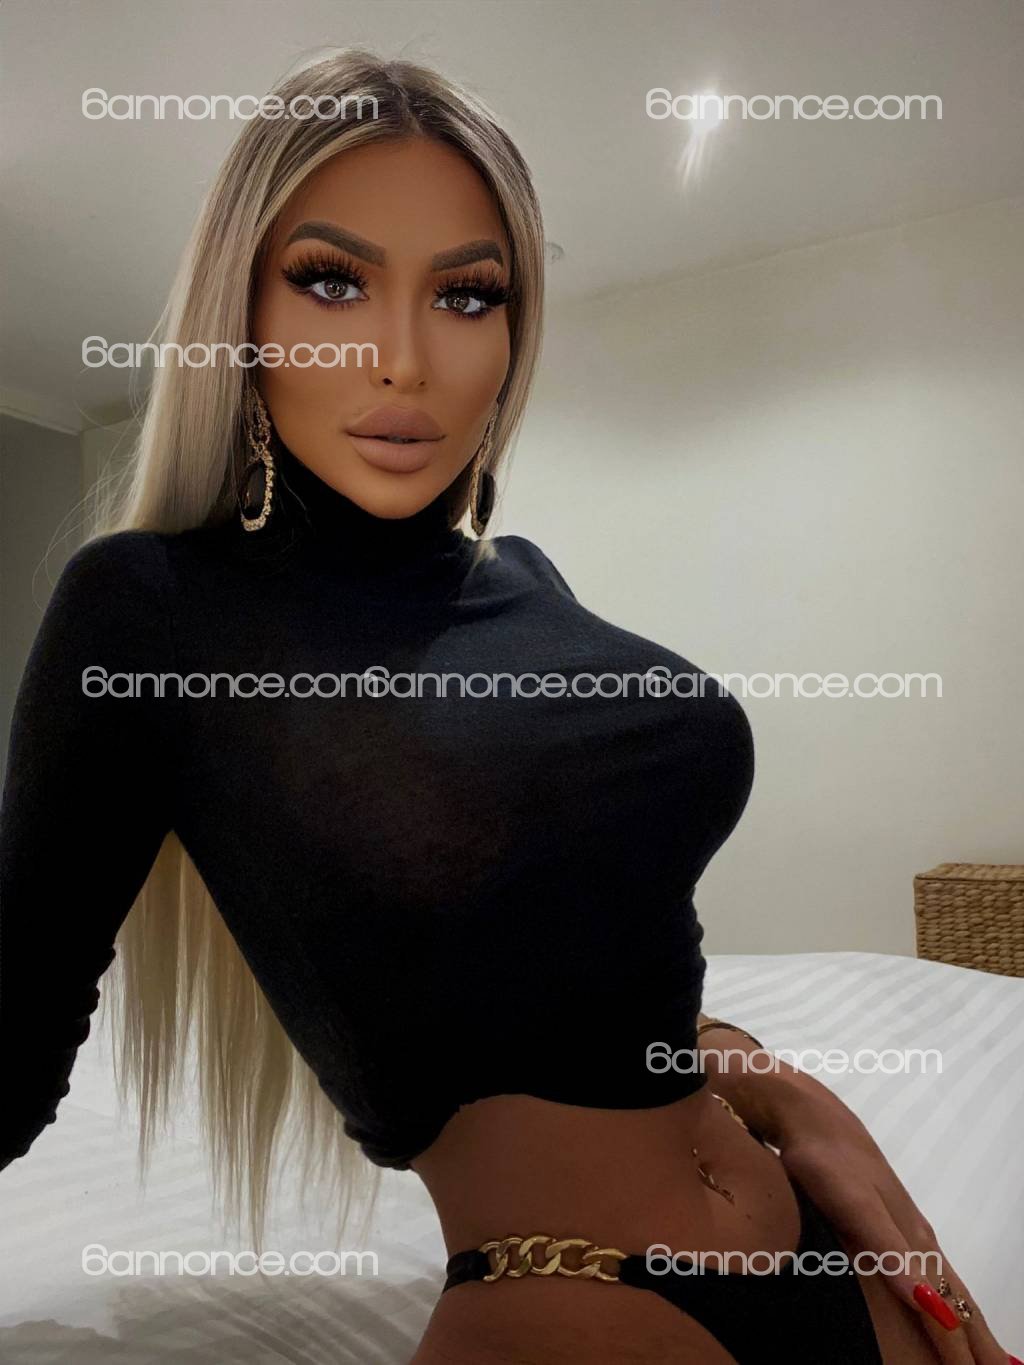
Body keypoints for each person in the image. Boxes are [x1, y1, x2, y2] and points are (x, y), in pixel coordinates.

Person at [0, 49, 1013, 1365]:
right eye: (332, 281)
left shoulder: (524, 577)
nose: (403, 359)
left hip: (825, 1234)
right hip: (572, 1301)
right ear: (237, 311)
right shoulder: (150, 607)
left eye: (467, 294)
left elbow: (573, 949)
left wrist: (781, 1087)